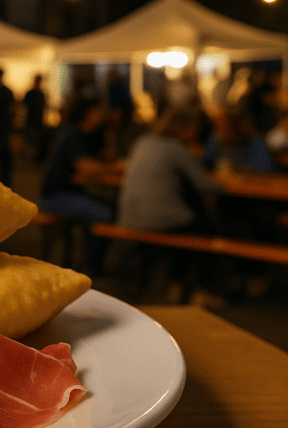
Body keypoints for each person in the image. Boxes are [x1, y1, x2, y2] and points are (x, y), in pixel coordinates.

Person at [117, 106, 225, 305]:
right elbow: (205, 186)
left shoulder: (142, 141)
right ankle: (201, 290)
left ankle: (175, 286)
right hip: (159, 221)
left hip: (128, 218)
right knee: (206, 230)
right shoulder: (175, 148)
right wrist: (226, 181)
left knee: (182, 224)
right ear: (186, 128)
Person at [38, 95, 114, 275]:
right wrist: (112, 167)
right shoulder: (72, 134)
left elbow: (102, 160)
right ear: (88, 113)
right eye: (98, 110)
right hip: (55, 196)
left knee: (107, 209)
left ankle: (91, 263)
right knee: (102, 213)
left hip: (72, 192)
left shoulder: (92, 135)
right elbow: (85, 167)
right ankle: (91, 266)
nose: (102, 114)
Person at [22, 73, 47, 162]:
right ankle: (28, 157)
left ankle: (31, 157)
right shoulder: (32, 93)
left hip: (37, 121)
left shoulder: (40, 94)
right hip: (31, 120)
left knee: (34, 140)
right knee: (29, 139)